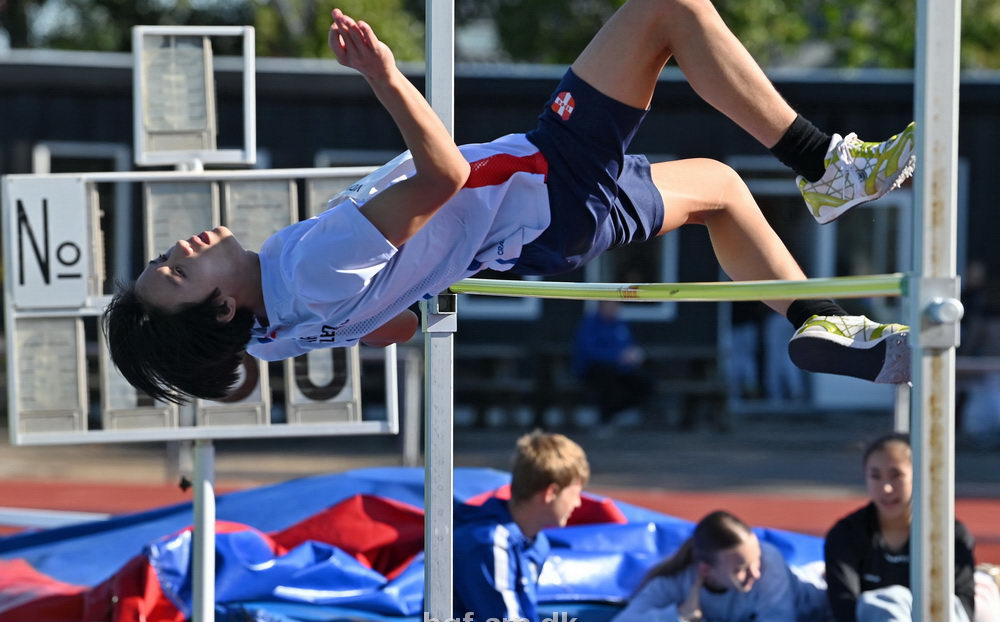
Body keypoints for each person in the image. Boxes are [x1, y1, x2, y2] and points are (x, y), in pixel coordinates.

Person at [105, 1, 916, 403]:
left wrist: (424, 295)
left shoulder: (275, 333)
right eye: (175, 273)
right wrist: (385, 79)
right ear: (217, 308)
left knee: (723, 192)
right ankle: (827, 164)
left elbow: (384, 323)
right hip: (545, 178)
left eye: (162, 258)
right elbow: (443, 177)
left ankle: (820, 317)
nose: (179, 249)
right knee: (666, 9)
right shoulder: (304, 268)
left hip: (533, 232)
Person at [453, 430, 658, 622]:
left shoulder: (534, 542)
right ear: (551, 492)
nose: (579, 503)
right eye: (576, 493)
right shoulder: (489, 545)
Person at [824, 433, 979, 622]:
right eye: (875, 476)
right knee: (894, 600)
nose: (886, 488)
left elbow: (964, 604)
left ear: (920, 475)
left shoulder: (950, 535)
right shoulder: (846, 534)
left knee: (948, 603)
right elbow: (844, 606)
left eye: (896, 475)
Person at [607, 510, 833, 622]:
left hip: (824, 606)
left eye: (757, 561)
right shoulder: (677, 582)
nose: (755, 573)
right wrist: (678, 616)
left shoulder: (768, 564)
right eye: (740, 570)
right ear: (706, 570)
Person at [572, 301, 653, 428]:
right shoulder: (590, 323)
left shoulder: (619, 323)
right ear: (601, 307)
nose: (612, 308)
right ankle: (604, 419)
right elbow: (589, 351)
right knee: (606, 379)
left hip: (621, 368)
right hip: (593, 369)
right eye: (609, 305)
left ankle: (614, 414)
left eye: (615, 306)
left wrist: (634, 354)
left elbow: (628, 344)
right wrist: (617, 356)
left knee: (645, 382)